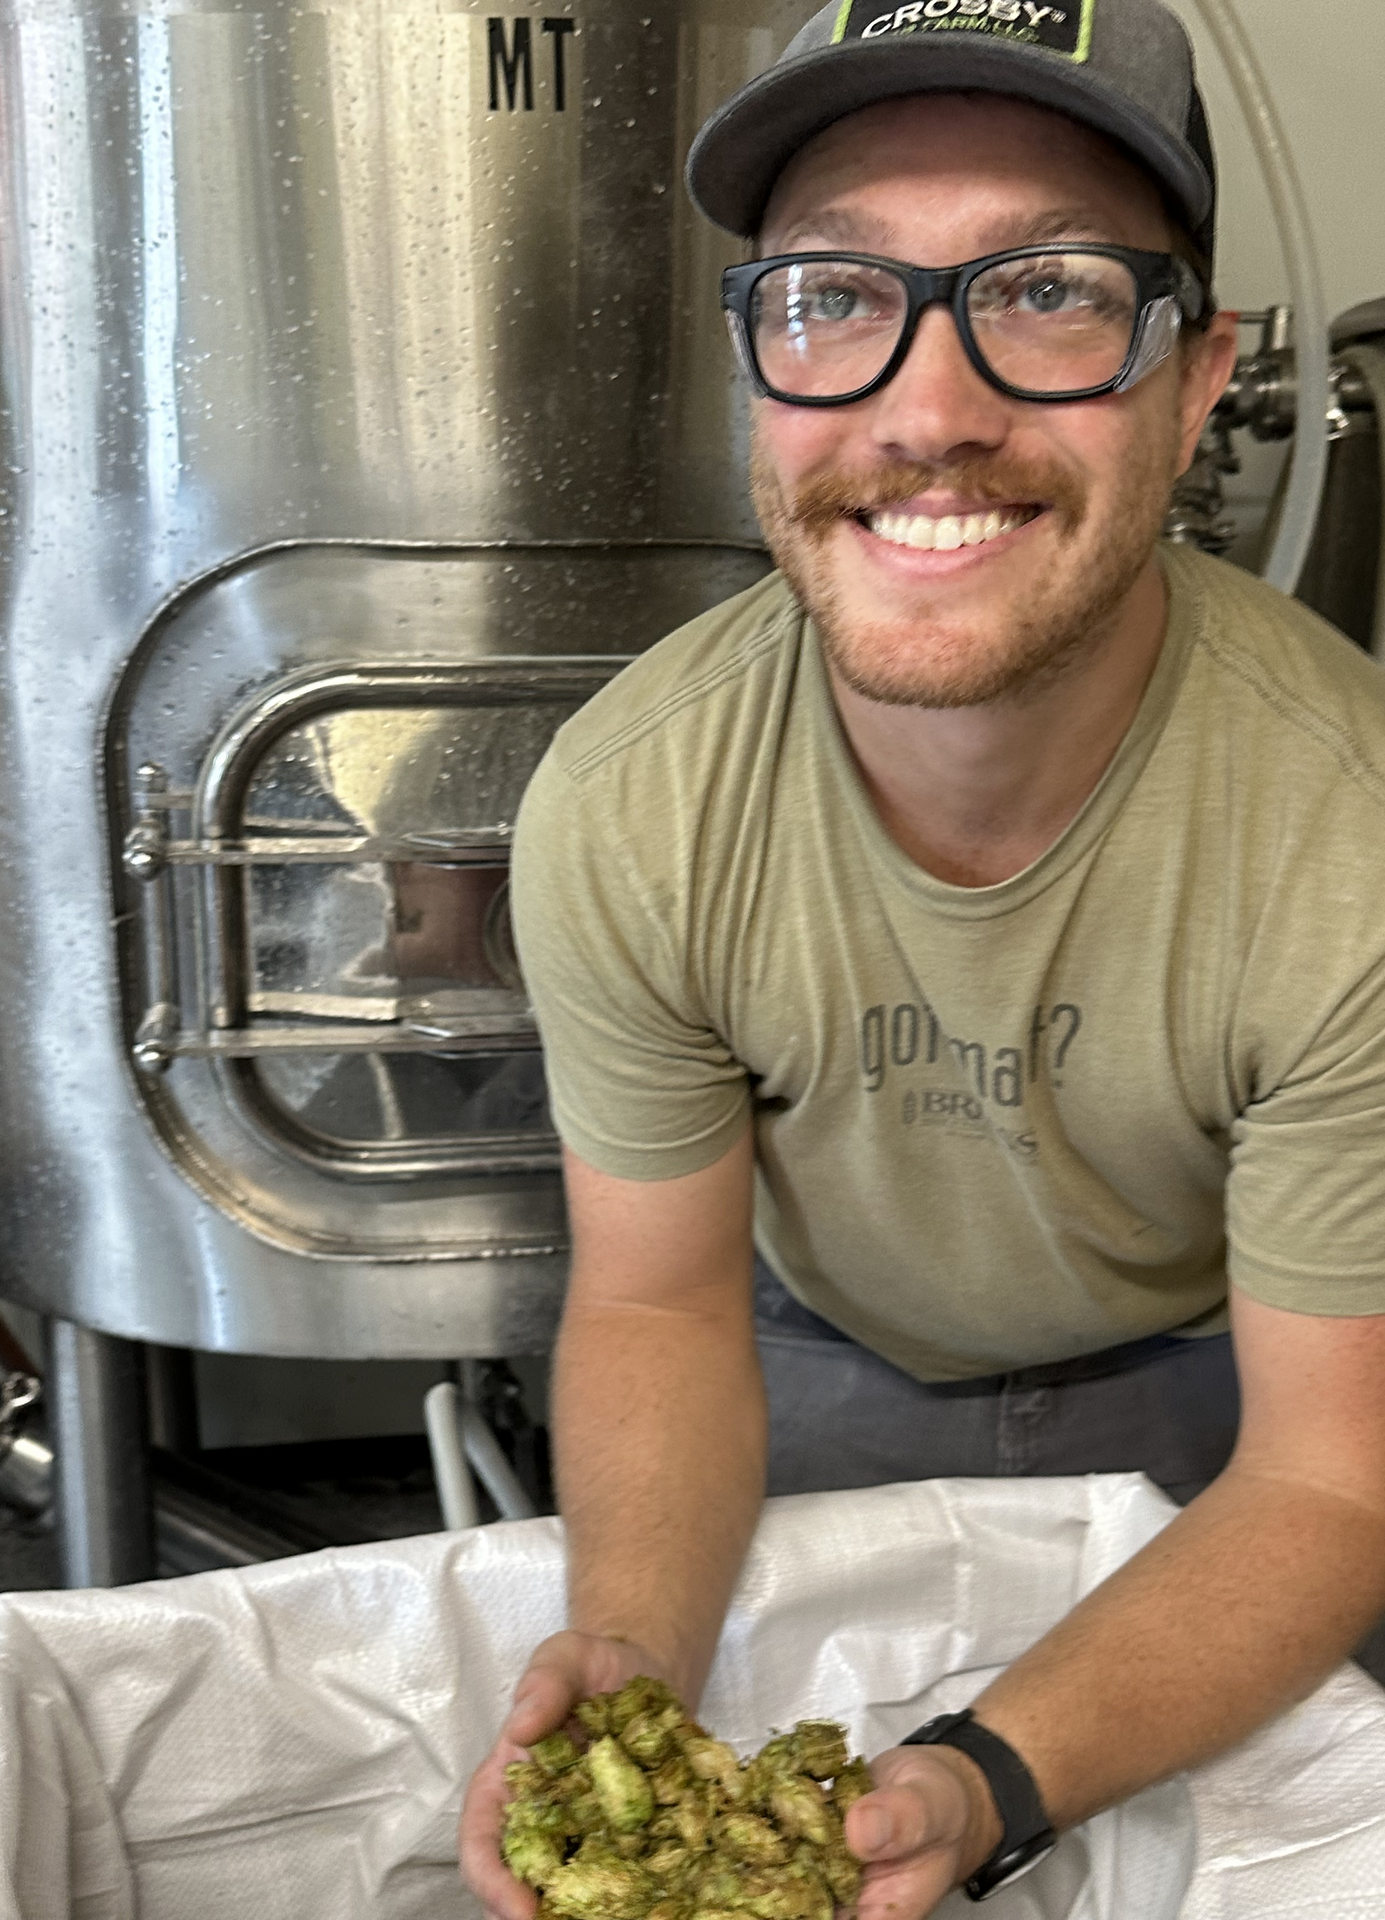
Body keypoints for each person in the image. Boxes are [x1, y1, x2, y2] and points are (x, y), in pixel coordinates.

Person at [461, 0, 1385, 1910]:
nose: (927, 411)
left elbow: (1328, 1476)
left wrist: (983, 1785)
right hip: (802, 1358)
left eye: (1046, 293)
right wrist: (629, 1656)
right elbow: (654, 1309)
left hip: (1217, 1372)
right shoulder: (633, 808)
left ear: (1199, 377)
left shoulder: (1348, 841)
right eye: (832, 298)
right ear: (755, 372)